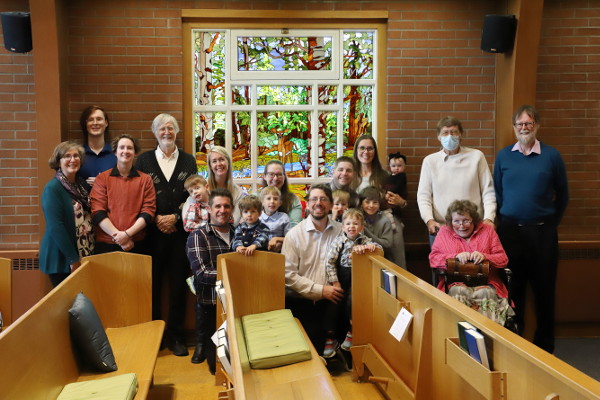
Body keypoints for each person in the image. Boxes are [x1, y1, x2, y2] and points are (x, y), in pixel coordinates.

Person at [494, 105, 569, 353]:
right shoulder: (504, 156)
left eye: (529, 123)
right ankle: (515, 344)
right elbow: (498, 193)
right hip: (510, 232)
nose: (524, 128)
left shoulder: (552, 156)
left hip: (542, 233)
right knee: (513, 289)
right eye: (520, 124)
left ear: (536, 126)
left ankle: (545, 347)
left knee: (544, 290)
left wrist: (548, 223)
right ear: (514, 128)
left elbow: (563, 195)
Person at [136, 113, 198, 357]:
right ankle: (155, 337)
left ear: (177, 132)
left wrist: (174, 216)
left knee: (177, 288)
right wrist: (156, 220)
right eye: (162, 128)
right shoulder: (143, 161)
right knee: (151, 288)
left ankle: (176, 337)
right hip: (150, 235)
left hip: (179, 235)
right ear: (154, 132)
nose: (167, 133)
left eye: (171, 128)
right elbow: (139, 196)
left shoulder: (188, 161)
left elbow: (192, 194)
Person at [429, 200, 513, 325]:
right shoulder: (444, 232)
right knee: (458, 291)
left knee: (485, 292)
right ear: (451, 222)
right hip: (454, 283)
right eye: (456, 221)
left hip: (487, 282)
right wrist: (455, 257)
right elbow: (433, 259)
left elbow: (503, 259)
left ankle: (488, 337)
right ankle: (460, 339)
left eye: (466, 220)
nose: (461, 225)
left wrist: (486, 257)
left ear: (474, 220)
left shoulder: (487, 231)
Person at [417, 117, 496, 246]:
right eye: (445, 133)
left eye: (454, 132)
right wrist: (429, 220)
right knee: (442, 266)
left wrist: (489, 218)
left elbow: (488, 191)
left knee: (476, 265)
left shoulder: (477, 156)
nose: (450, 136)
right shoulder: (430, 161)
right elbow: (423, 196)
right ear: (438, 137)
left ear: (461, 135)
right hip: (442, 229)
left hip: (474, 229)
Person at [282, 184, 342, 351]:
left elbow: (369, 245)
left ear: (330, 205)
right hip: (302, 301)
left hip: (333, 301)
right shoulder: (294, 234)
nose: (318, 203)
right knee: (309, 350)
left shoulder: (341, 231)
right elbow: (287, 275)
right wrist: (319, 290)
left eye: (323, 199)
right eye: (314, 199)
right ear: (307, 205)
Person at [186, 188, 235, 372]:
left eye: (227, 206)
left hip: (238, 304)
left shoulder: (240, 233)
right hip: (212, 306)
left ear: (232, 209)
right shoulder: (198, 236)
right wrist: (236, 274)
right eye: (218, 206)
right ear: (210, 209)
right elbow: (202, 274)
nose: (222, 210)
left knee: (239, 364)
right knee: (220, 367)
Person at [323, 209, 381, 357]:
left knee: (353, 302)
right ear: (343, 227)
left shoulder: (364, 240)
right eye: (348, 223)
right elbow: (329, 262)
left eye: (356, 224)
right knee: (333, 305)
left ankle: (352, 332)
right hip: (341, 279)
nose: (352, 227)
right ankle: (330, 338)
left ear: (361, 227)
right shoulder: (338, 241)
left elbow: (380, 249)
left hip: (359, 280)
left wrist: (371, 248)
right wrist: (335, 282)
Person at [40, 141, 94, 287]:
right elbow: (55, 227)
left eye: (76, 156)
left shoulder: (81, 184)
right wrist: (72, 259)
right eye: (67, 156)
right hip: (62, 259)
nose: (72, 160)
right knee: (68, 306)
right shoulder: (52, 188)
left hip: (83, 252)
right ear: (58, 162)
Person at [91, 134, 156, 255]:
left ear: (135, 152)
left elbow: (148, 212)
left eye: (129, 148)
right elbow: (97, 211)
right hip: (106, 244)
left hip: (136, 243)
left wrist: (127, 235)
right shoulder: (102, 179)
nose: (125, 151)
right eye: (122, 147)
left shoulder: (145, 180)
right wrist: (119, 238)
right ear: (115, 152)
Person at [353, 135, 406, 268]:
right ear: (356, 150)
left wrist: (402, 203)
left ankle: (399, 280)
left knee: (396, 234)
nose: (366, 152)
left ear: (375, 152)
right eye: (362, 148)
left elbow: (398, 201)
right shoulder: (350, 175)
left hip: (382, 220)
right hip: (358, 221)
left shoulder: (384, 176)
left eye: (370, 148)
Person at [77, 105, 117, 189]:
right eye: (91, 119)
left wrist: (104, 183)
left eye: (99, 119)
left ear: (106, 123)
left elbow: (126, 184)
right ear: (85, 124)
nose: (95, 123)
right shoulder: (77, 155)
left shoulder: (116, 154)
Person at [207, 146, 246, 225]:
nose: (219, 164)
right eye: (214, 161)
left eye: (222, 159)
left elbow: (235, 221)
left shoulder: (238, 192)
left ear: (228, 162)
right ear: (210, 166)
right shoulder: (201, 187)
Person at [260, 159, 303, 226]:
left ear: (284, 177)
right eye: (271, 174)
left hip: (287, 236)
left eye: (279, 174)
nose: (275, 178)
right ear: (264, 176)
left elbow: (295, 227)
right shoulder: (255, 198)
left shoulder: (293, 199)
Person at [359, 186, 394, 262]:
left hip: (381, 259)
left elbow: (387, 245)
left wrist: (364, 230)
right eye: (367, 202)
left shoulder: (385, 221)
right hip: (361, 257)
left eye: (375, 202)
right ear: (361, 204)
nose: (371, 205)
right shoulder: (358, 220)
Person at [258, 186, 290, 252]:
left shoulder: (284, 217)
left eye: (275, 199)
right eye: (268, 198)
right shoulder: (258, 218)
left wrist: (277, 239)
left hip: (279, 252)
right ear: (262, 202)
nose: (272, 201)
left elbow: (290, 238)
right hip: (260, 251)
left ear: (280, 203)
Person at [383, 152, 408, 218]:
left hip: (397, 195)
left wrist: (389, 191)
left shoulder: (401, 176)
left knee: (395, 209)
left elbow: (398, 186)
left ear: (404, 166)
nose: (396, 168)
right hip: (389, 195)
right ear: (390, 167)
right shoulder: (389, 176)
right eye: (393, 166)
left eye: (399, 166)